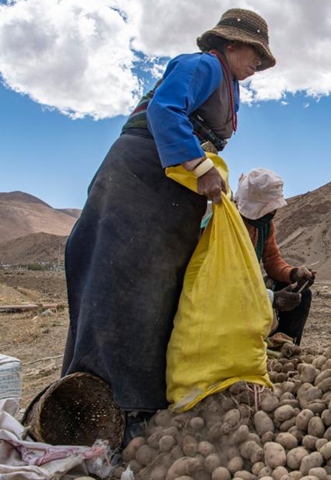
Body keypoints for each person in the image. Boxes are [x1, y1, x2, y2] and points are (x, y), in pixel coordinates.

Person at [62, 8, 277, 437]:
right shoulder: (202, 65)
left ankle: (143, 400)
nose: (258, 63)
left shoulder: (228, 83)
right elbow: (165, 110)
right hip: (140, 177)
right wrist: (200, 166)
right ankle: (107, 405)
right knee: (121, 283)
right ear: (231, 44)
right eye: (255, 53)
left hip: (169, 186)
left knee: (159, 287)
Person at [233, 168, 316, 346]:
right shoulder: (225, 224)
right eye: (267, 209)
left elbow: (272, 260)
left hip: (251, 288)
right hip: (227, 293)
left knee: (301, 294)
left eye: (273, 209)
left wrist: (294, 274)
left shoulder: (264, 226)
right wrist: (272, 298)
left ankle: (284, 348)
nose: (272, 214)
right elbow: (226, 284)